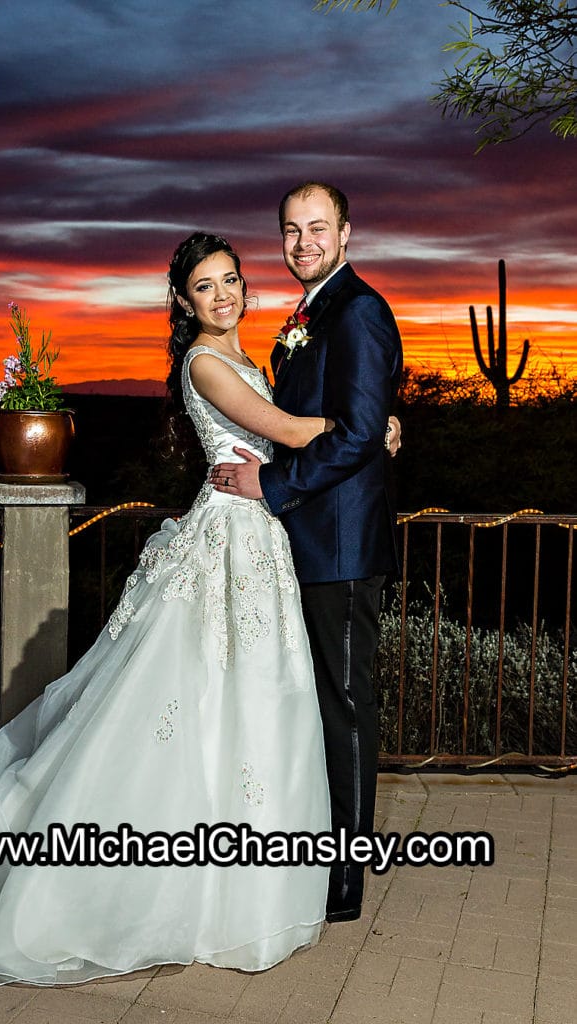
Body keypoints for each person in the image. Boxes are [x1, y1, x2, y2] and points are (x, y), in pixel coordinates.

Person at [0, 232, 336, 986]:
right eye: (206, 286)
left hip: (254, 539)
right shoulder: (204, 361)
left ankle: (235, 887)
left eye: (231, 280)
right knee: (195, 704)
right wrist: (368, 428)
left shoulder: (241, 356)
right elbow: (289, 434)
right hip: (227, 543)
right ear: (182, 301)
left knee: (246, 704)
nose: (223, 295)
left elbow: (281, 443)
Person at [211, 183, 403, 923]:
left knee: (348, 707)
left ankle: (346, 882)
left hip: (341, 545)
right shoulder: (312, 313)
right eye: (290, 231)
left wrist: (273, 483)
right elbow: (363, 412)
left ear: (346, 232)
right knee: (317, 704)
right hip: (304, 542)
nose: (302, 243)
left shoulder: (358, 309)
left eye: (316, 229)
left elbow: (356, 433)